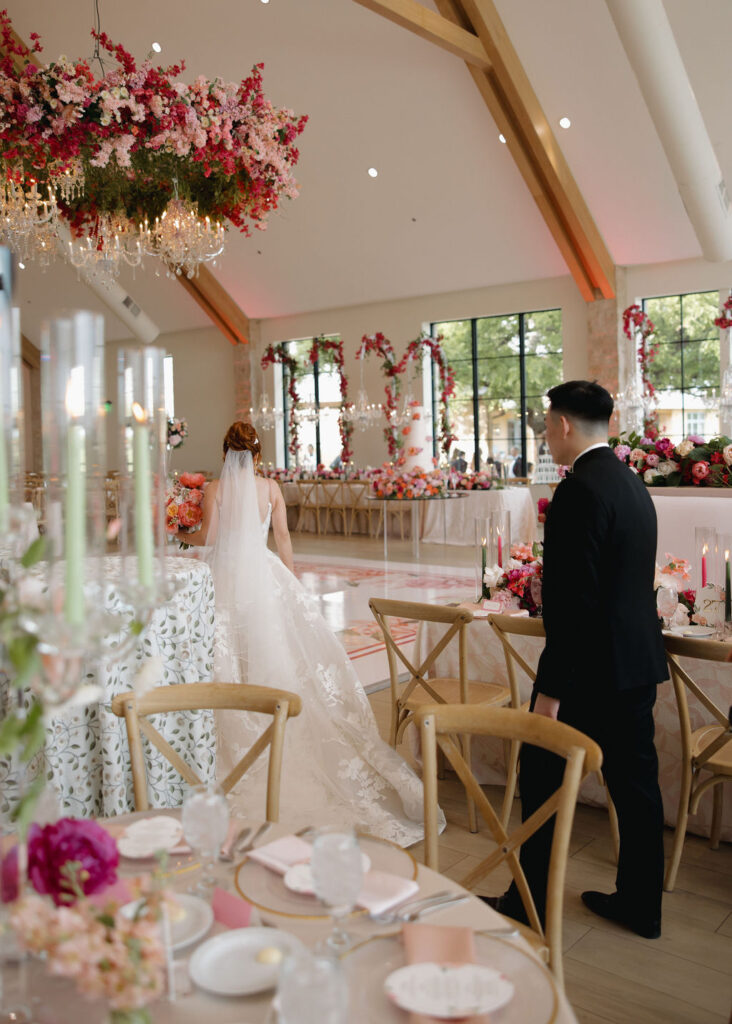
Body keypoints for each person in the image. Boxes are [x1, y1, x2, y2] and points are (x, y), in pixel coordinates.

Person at [180, 421, 438, 846]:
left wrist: (180, 532)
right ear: (258, 455)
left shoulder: (214, 489)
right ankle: (272, 714)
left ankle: (231, 721)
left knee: (224, 651)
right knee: (272, 650)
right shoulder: (271, 489)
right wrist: (290, 582)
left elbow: (209, 537)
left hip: (224, 576)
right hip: (262, 576)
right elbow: (282, 538)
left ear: (225, 453)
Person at [489, 381, 667, 938]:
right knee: (637, 791)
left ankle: (529, 902)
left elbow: (572, 606)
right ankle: (642, 905)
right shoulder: (630, 482)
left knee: (540, 776)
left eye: (546, 424)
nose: (545, 435)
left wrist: (550, 694)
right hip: (637, 663)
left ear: (564, 425)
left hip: (590, 673)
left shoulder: (578, 491)